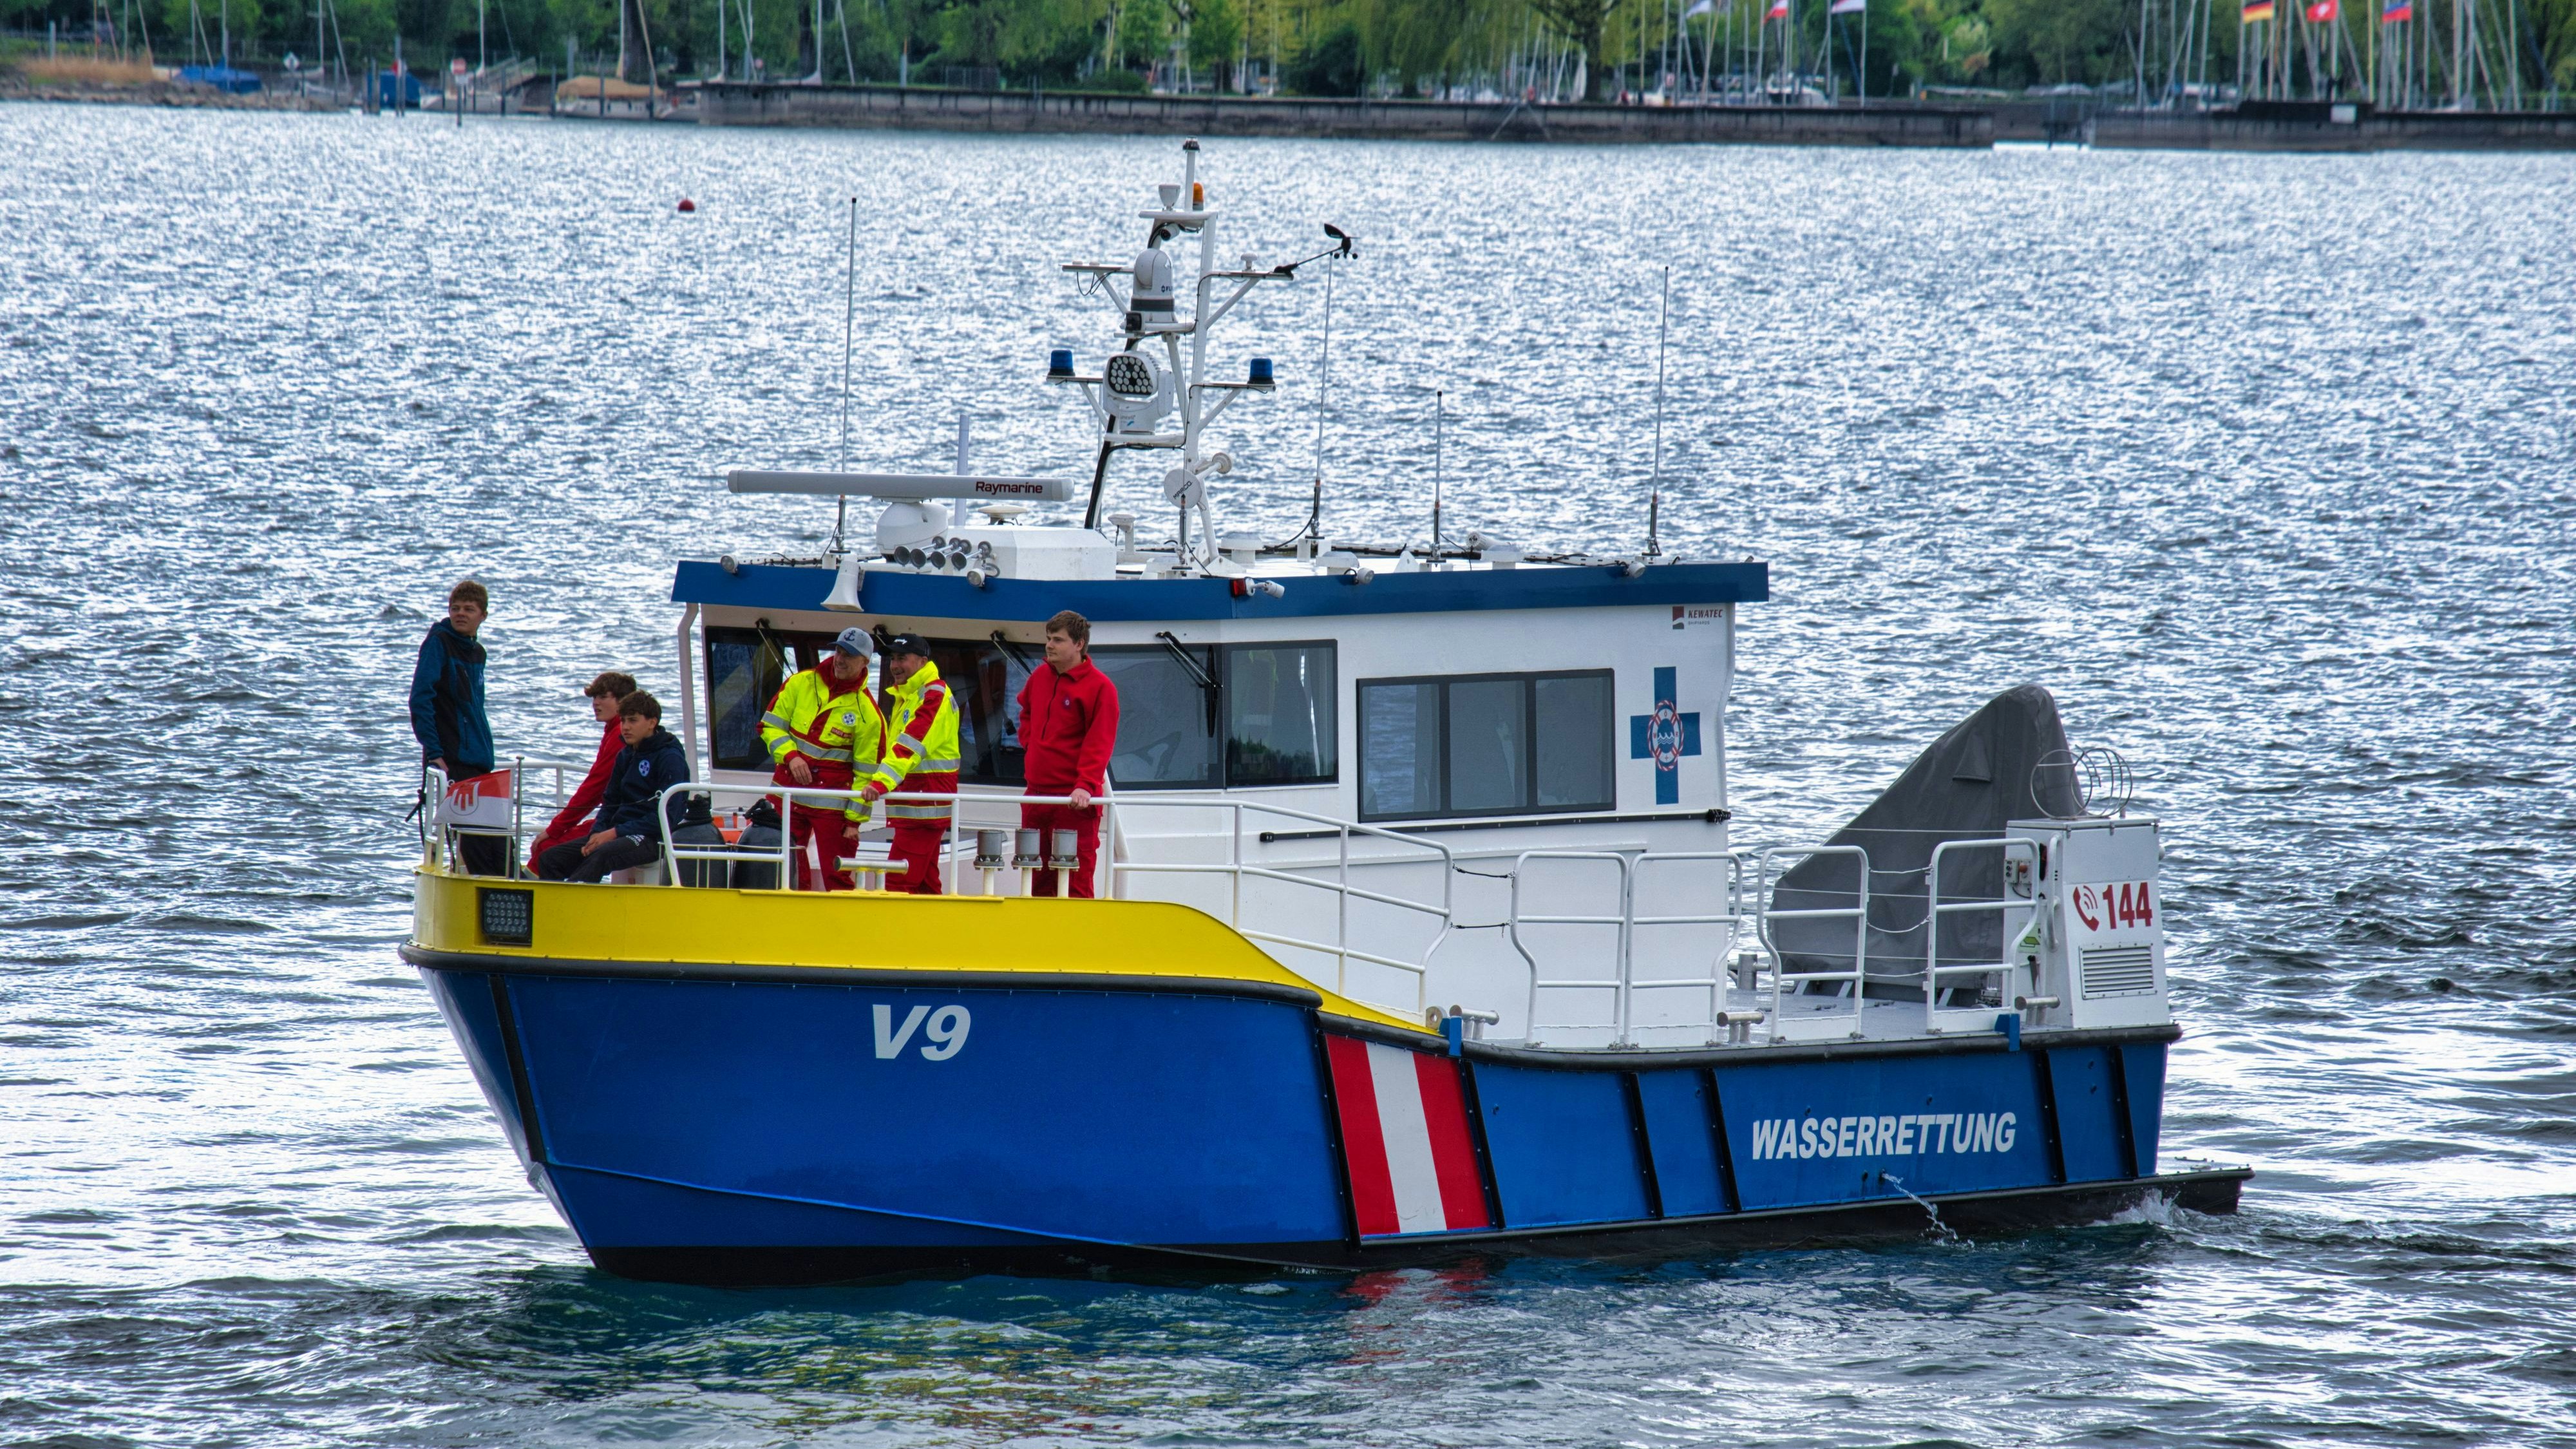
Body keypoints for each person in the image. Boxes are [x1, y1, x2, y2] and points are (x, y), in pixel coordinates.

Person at [758, 628, 884, 891]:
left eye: (849, 655)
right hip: (787, 795)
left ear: (865, 662)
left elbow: (866, 775)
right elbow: (769, 727)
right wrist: (791, 757)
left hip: (832, 809)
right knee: (782, 868)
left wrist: (853, 822)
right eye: (839, 651)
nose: (840, 659)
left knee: (837, 877)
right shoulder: (799, 683)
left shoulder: (869, 715)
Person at [535, 692, 708, 883]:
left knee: (600, 854)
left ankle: (574, 897)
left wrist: (614, 833)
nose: (625, 727)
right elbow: (610, 802)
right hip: (620, 831)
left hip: (653, 837)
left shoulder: (670, 758)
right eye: (623, 721)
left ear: (652, 723)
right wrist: (597, 833)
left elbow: (667, 817)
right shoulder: (625, 755)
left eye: (633, 721)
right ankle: (557, 900)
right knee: (550, 858)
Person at [1016, 610, 1120, 898]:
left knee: (1075, 882)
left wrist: (1085, 785)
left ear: (1079, 644)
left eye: (1058, 640)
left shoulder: (1101, 688)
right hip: (1036, 796)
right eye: (1049, 638)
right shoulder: (1039, 677)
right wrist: (1031, 744)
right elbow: (1025, 711)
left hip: (1074, 801)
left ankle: (1077, 928)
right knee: (1035, 878)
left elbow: (1100, 742)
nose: (1049, 645)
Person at [410, 579, 502, 875]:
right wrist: (433, 751)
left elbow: (474, 706)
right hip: (452, 758)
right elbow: (420, 698)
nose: (460, 614)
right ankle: (487, 888)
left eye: (469, 609)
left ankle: (510, 883)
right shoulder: (439, 643)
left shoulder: (478, 652)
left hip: (478, 760)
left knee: (498, 841)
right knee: (474, 842)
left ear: (483, 615)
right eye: (455, 608)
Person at [862, 634, 960, 894]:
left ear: (922, 662)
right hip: (918, 806)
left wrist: (880, 783)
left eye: (902, 658)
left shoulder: (932, 696)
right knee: (926, 885)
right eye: (893, 659)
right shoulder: (911, 694)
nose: (895, 665)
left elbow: (910, 746)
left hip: (923, 807)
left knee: (898, 884)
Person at [526, 671, 638, 873]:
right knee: (549, 847)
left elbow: (594, 788)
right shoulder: (614, 732)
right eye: (594, 697)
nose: (595, 703)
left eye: (603, 697)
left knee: (547, 849)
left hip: (621, 821)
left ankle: (531, 890)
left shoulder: (618, 736)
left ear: (622, 701)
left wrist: (555, 828)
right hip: (616, 817)